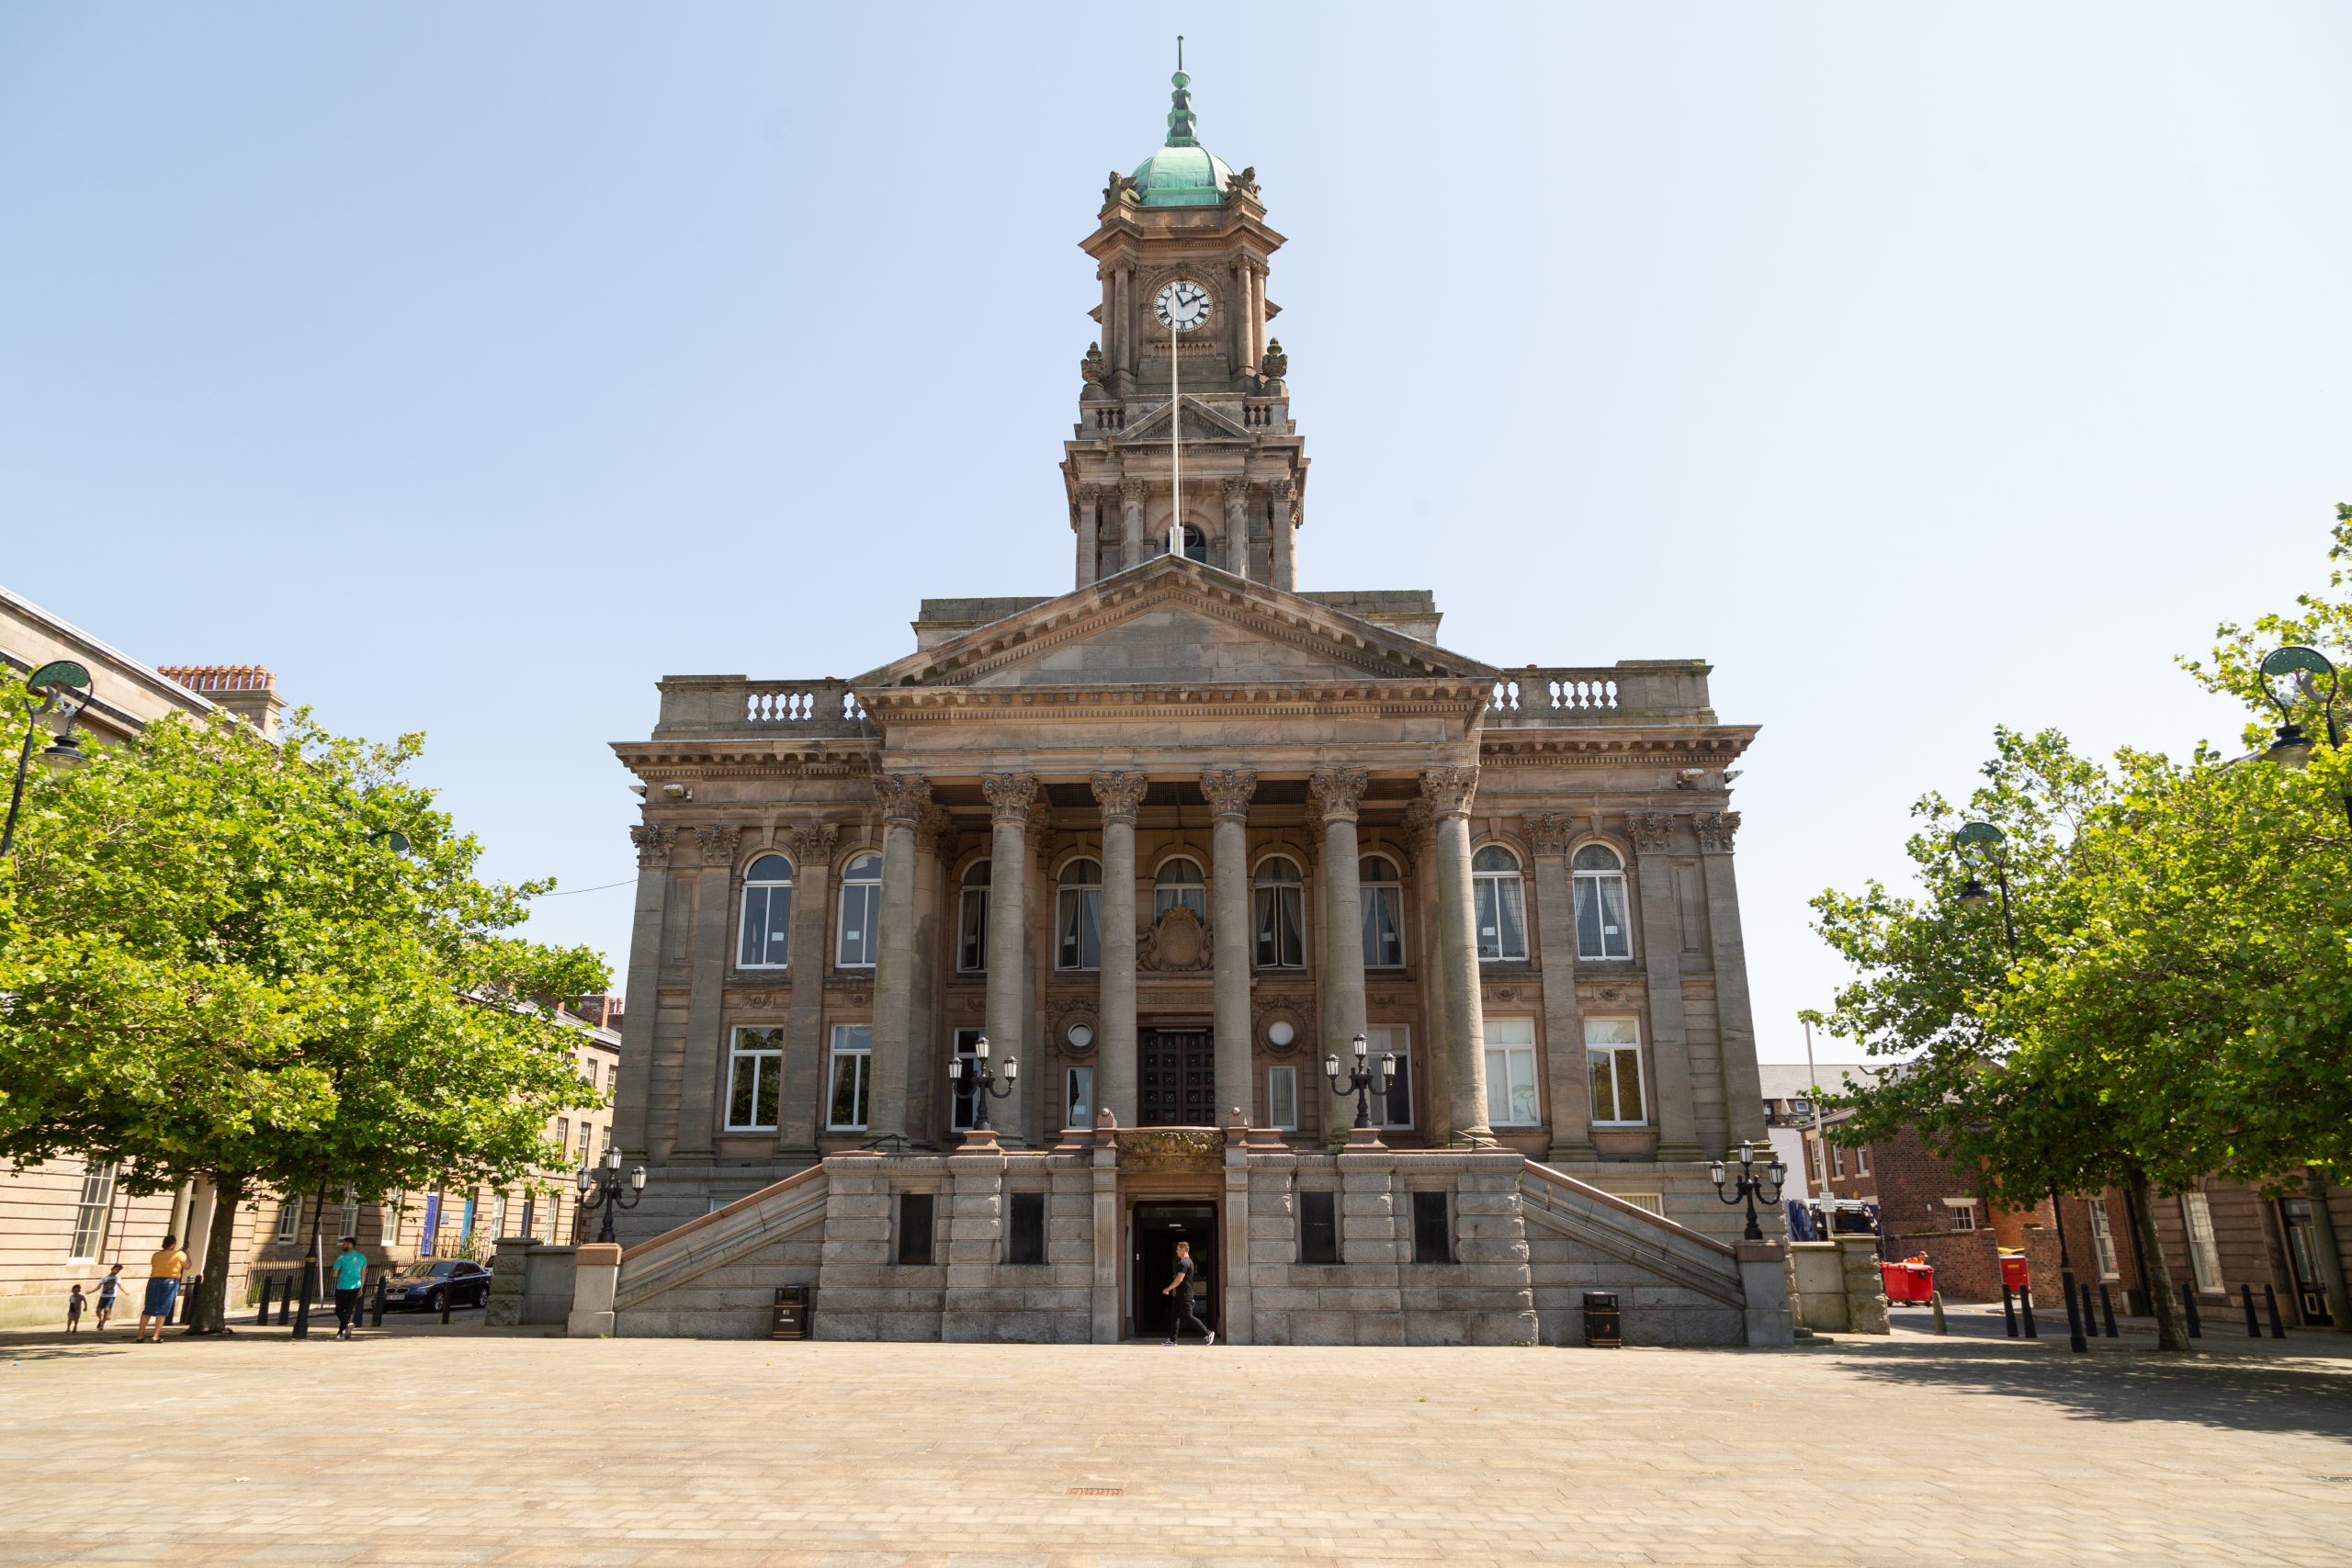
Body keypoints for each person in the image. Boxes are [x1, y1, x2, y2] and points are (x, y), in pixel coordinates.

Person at [1159, 1238, 1214, 1347]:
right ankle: (1172, 1340)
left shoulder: (1184, 1263)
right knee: (1174, 1315)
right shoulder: (1188, 1262)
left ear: (1183, 1249)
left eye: (1178, 1249)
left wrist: (1168, 1289)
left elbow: (1179, 1279)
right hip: (1181, 1294)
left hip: (1184, 1294)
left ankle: (1207, 1333)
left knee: (1189, 1316)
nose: (1176, 1251)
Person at [139, 1235, 189, 1342]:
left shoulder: (156, 1255)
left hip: (153, 1281)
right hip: (170, 1281)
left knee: (148, 1309)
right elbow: (187, 1266)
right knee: (163, 1309)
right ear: (173, 1244)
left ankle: (140, 1335)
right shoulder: (179, 1254)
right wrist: (187, 1254)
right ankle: (155, 1335)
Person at [331, 1236, 369, 1339]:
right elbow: (363, 1274)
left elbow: (334, 1274)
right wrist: (361, 1288)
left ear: (350, 1244)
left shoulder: (341, 1258)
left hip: (342, 1287)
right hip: (356, 1286)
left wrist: (338, 1274)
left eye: (344, 1244)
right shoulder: (362, 1257)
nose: (342, 1246)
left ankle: (345, 1326)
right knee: (348, 1310)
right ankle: (341, 1332)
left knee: (339, 1309)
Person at [95, 1264, 124, 1330]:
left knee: (106, 1309)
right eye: (116, 1269)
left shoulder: (117, 1278)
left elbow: (120, 1286)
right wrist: (92, 1291)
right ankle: (100, 1320)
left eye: (118, 1270)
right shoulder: (104, 1278)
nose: (116, 1271)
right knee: (98, 1311)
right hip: (103, 1296)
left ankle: (102, 1324)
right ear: (112, 1269)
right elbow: (98, 1287)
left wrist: (125, 1292)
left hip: (111, 1296)